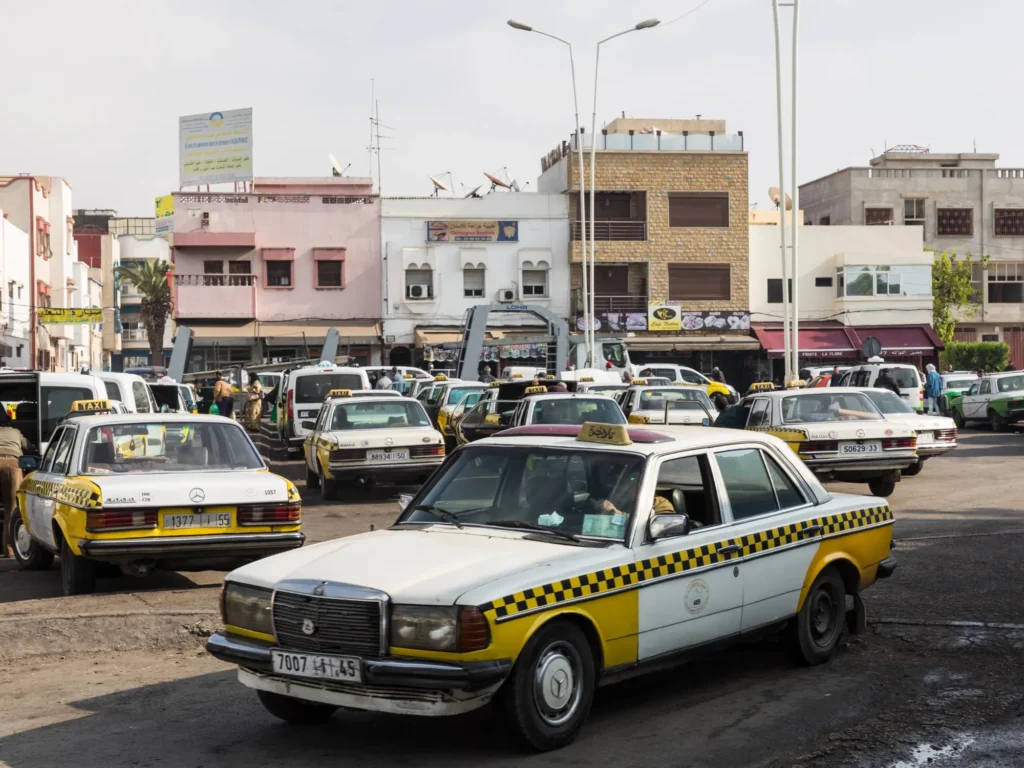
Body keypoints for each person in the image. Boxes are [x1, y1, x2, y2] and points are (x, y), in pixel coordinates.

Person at [0, 411, 33, 558]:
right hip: (12, 467)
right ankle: (10, 551)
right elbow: (30, 447)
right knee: (11, 509)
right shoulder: (15, 432)